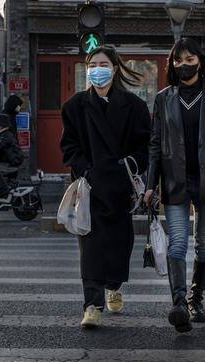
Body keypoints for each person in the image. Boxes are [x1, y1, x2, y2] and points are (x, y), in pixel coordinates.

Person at [144, 38, 205, 333]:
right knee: (178, 242)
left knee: (204, 245)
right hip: (174, 180)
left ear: (200, 60)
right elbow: (155, 144)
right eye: (178, 60)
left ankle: (197, 298)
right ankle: (179, 303)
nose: (184, 64)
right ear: (172, 64)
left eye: (190, 58)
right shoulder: (163, 97)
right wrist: (150, 184)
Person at [60, 45, 151, 329]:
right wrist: (86, 169)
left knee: (120, 244)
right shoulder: (74, 106)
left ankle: (114, 285)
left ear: (114, 68)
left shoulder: (134, 107)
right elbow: (69, 147)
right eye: (91, 64)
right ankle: (91, 305)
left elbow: (144, 148)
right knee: (90, 247)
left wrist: (128, 166)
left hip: (120, 186)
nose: (96, 69)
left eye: (103, 64)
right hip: (89, 188)